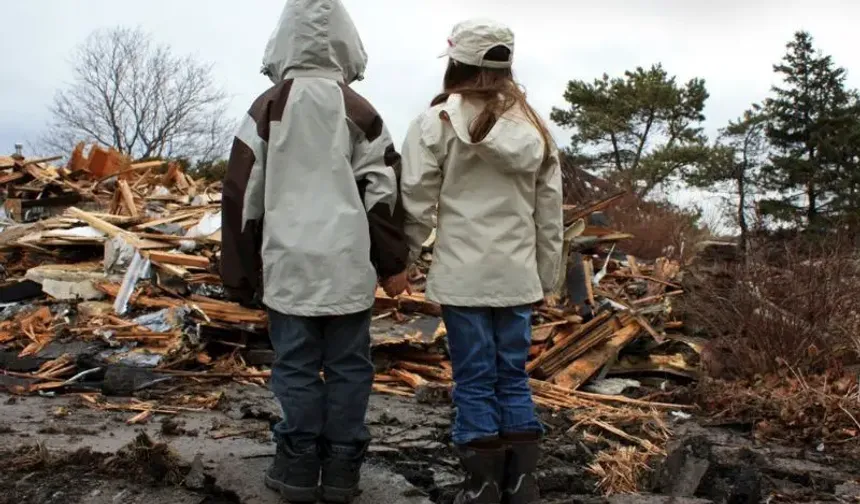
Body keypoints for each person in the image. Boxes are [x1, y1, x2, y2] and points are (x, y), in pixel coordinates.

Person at [219, 0, 409, 502]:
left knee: (296, 365)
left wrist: (240, 274)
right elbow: (385, 192)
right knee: (350, 366)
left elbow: (242, 195)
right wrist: (393, 264)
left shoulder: (267, 108)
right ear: (347, 44)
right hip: (347, 268)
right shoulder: (360, 111)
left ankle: (299, 468)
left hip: (289, 266)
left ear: (282, 41)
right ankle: (343, 468)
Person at [400, 19, 564, 504]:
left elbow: (414, 202)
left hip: (462, 277)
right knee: (511, 375)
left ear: (457, 62)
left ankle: (482, 487)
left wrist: (402, 262)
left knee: (473, 380)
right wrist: (548, 279)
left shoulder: (436, 123)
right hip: (516, 277)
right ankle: (522, 484)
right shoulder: (535, 129)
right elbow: (549, 215)